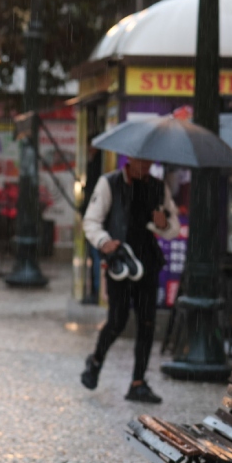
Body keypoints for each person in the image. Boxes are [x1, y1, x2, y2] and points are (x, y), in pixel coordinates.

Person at [80, 156, 180, 403]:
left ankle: (138, 382)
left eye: (148, 162)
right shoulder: (110, 182)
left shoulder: (158, 187)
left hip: (147, 261)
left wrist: (164, 224)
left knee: (147, 322)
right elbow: (91, 221)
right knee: (117, 319)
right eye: (140, 162)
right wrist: (104, 242)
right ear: (130, 159)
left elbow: (173, 227)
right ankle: (95, 361)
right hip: (121, 261)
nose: (145, 166)